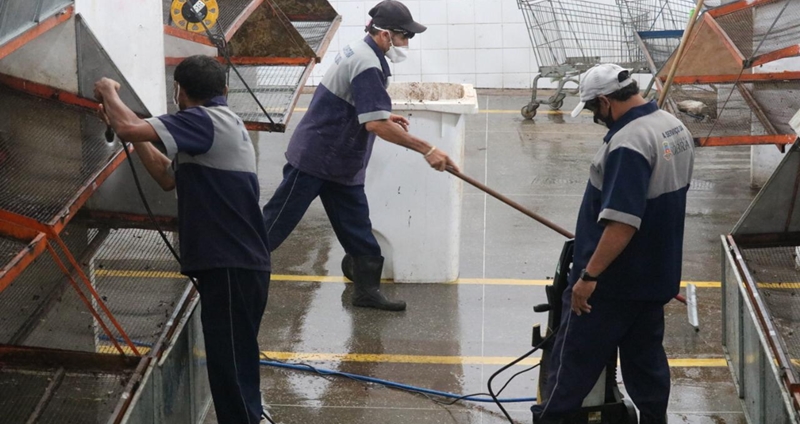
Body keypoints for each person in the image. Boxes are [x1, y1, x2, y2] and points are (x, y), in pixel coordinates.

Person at [94, 55, 272, 424]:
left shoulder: (202, 121)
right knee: (234, 363)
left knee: (231, 371)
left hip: (229, 262)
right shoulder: (220, 123)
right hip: (237, 263)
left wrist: (109, 91)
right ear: (224, 89)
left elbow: (128, 128)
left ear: (179, 91)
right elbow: (164, 174)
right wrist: (130, 127)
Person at [262, 0, 458, 311]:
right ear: (384, 35)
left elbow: (363, 108)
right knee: (275, 223)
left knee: (358, 230)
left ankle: (366, 293)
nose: (407, 43)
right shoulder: (368, 62)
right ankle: (233, 272)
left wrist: (381, 115)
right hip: (316, 158)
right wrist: (428, 149)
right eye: (405, 36)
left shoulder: (361, 50)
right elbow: (375, 125)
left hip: (339, 160)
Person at [530, 64, 694, 424]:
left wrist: (588, 276)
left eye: (592, 109)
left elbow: (622, 223)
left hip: (613, 282)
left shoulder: (629, 143)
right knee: (645, 362)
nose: (595, 118)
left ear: (605, 101)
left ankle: (549, 420)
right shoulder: (673, 127)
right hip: (654, 275)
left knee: (572, 362)